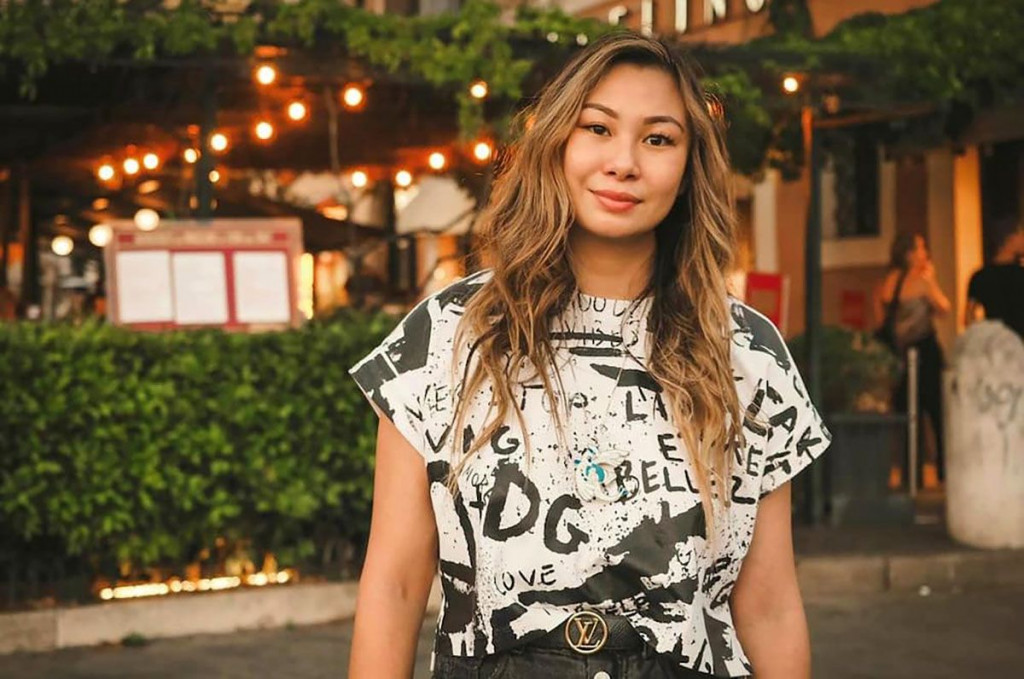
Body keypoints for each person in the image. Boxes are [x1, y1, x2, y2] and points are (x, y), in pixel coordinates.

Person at [348, 32, 830, 679]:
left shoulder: (748, 353)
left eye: (658, 138)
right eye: (598, 128)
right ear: (556, 143)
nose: (624, 162)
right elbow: (395, 586)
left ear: (689, 166)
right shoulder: (447, 335)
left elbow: (768, 605)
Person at [874, 233, 951, 490]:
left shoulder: (888, 282)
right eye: (920, 248)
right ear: (909, 254)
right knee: (935, 411)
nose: (925, 252)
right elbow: (944, 307)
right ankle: (942, 470)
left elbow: (881, 319)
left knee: (907, 411)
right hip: (924, 350)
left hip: (900, 354)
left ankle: (910, 471)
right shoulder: (922, 280)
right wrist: (931, 280)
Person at [965, 225, 1024, 341]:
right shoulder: (1021, 275)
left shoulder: (980, 276)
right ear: (1010, 240)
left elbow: (969, 316)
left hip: (994, 342)